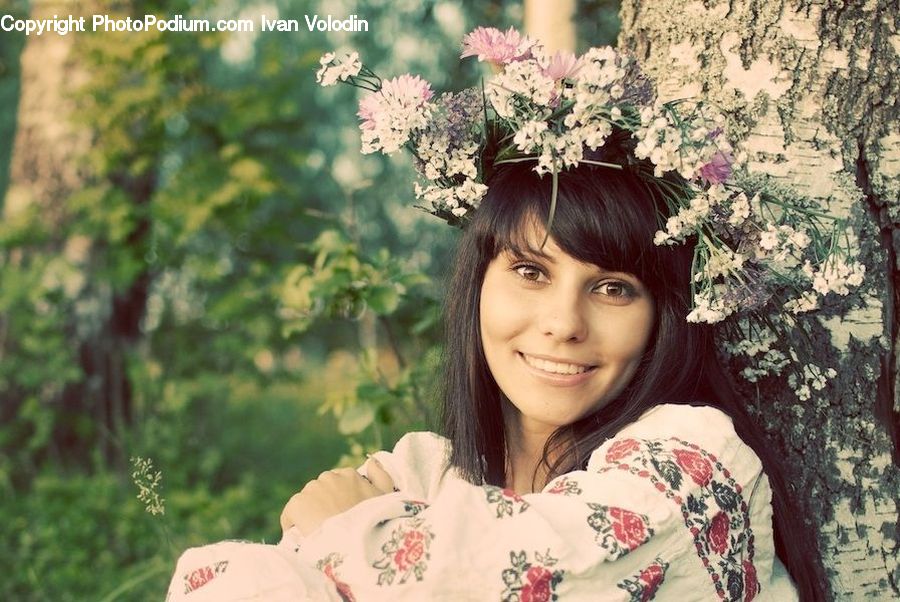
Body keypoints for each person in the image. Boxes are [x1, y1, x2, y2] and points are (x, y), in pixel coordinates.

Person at [165, 135, 821, 601]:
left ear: (662, 317)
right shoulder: (423, 472)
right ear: (479, 283)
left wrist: (349, 528)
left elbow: (510, 577)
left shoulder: (692, 466)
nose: (565, 323)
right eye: (531, 271)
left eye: (614, 287)